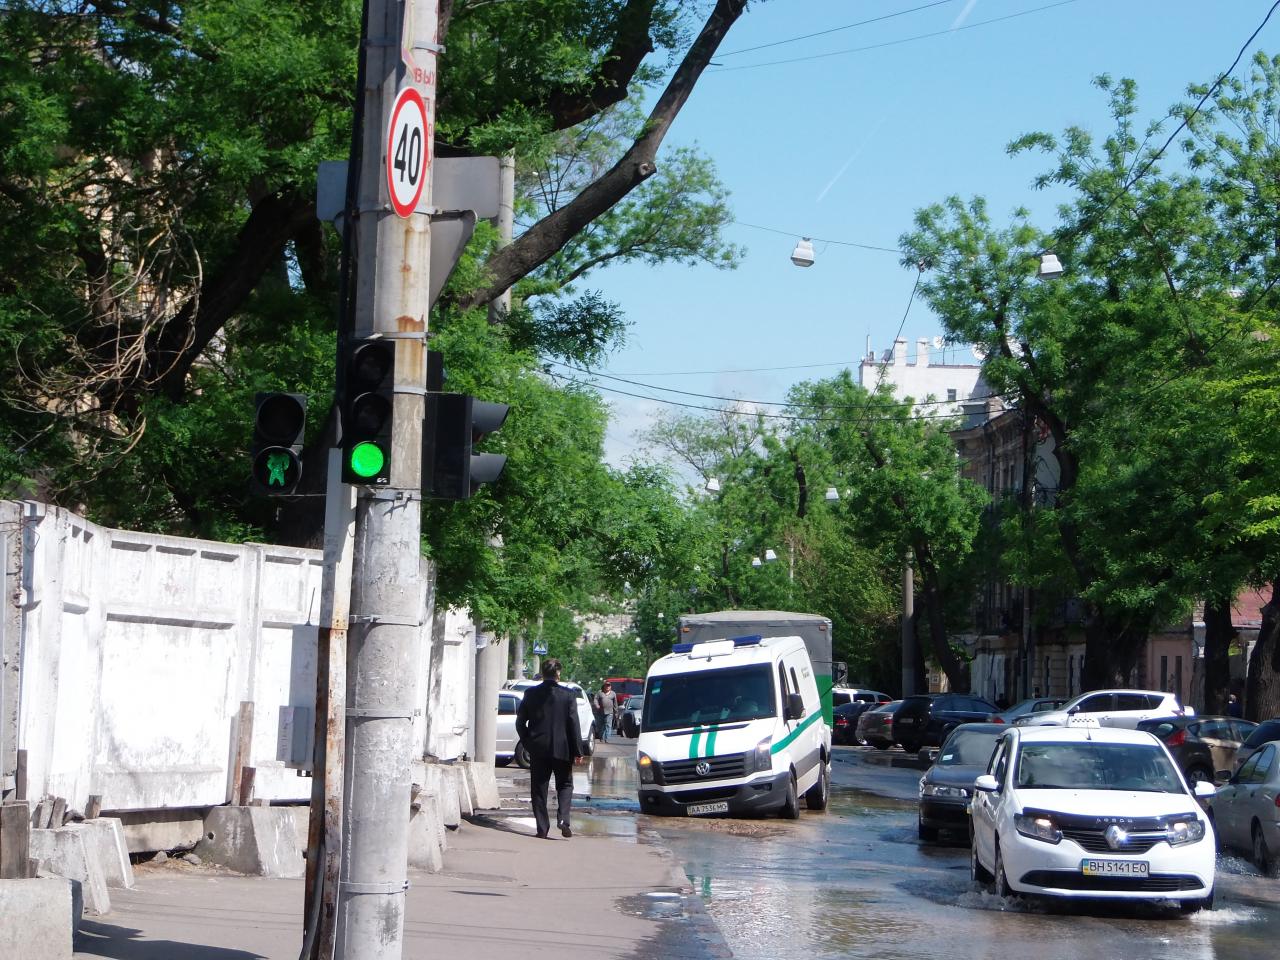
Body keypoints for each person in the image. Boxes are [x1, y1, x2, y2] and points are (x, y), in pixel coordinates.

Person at [515, 658, 583, 839]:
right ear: (558, 674)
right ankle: (564, 820)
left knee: (539, 788)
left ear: (543, 673)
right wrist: (578, 750)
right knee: (565, 784)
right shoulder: (568, 695)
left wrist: (528, 743)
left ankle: (542, 829)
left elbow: (520, 723)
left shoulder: (531, 693)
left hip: (538, 748)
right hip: (563, 748)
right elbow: (573, 724)